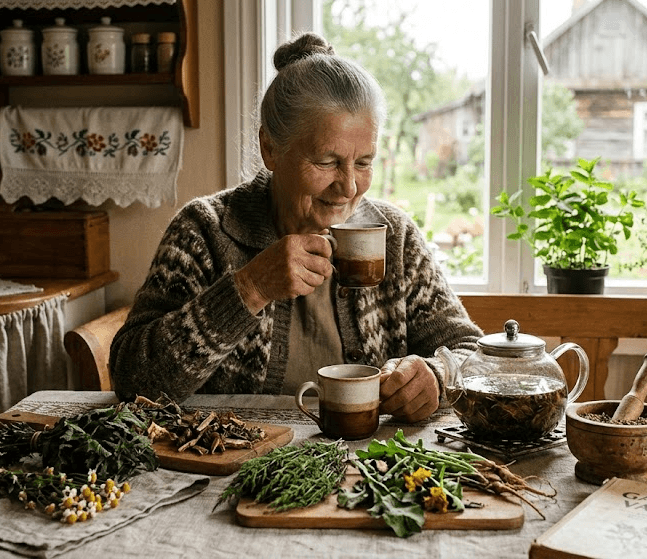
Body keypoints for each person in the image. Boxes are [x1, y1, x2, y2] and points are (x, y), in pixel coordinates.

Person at [109, 33, 482, 422]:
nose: (349, 187)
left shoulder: (395, 237)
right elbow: (132, 380)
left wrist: (439, 377)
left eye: (363, 162)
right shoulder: (204, 232)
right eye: (326, 161)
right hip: (234, 467)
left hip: (372, 470)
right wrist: (249, 288)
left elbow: (471, 353)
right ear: (270, 148)